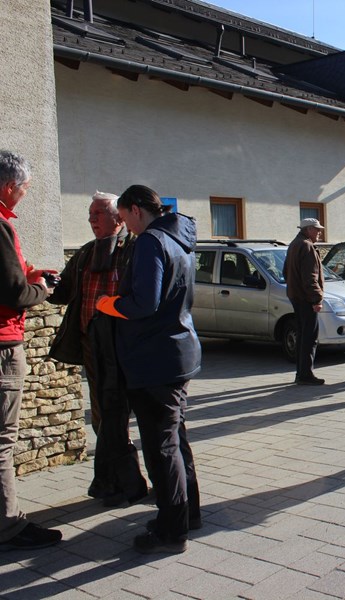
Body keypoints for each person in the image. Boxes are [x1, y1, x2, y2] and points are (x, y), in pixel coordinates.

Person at [96, 184, 201, 554]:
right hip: (175, 352)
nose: (125, 226)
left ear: (136, 210)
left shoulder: (150, 242)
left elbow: (144, 303)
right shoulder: (179, 239)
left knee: (161, 447)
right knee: (175, 440)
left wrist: (107, 304)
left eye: (124, 218)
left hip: (154, 359)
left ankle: (172, 529)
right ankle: (187, 515)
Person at [48, 192, 148, 507]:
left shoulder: (133, 249)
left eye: (98, 213)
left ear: (118, 217)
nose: (91, 219)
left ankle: (127, 483)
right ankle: (118, 482)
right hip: (91, 345)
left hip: (123, 346)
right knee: (103, 416)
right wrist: (42, 283)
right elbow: (64, 291)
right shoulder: (86, 253)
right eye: (90, 214)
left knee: (118, 415)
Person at [0, 150, 63, 551]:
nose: (25, 194)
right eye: (24, 188)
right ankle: (8, 527)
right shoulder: (1, 226)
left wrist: (28, 274)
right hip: (3, 345)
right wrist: (42, 289)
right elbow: (14, 293)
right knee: (2, 440)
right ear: (10, 186)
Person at [284, 217, 326, 385]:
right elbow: (310, 278)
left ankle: (301, 373)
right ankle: (305, 374)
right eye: (317, 229)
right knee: (309, 337)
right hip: (306, 298)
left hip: (296, 296)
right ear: (308, 229)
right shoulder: (306, 246)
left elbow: (285, 271)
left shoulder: (294, 244)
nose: (319, 232)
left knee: (302, 336)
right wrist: (316, 299)